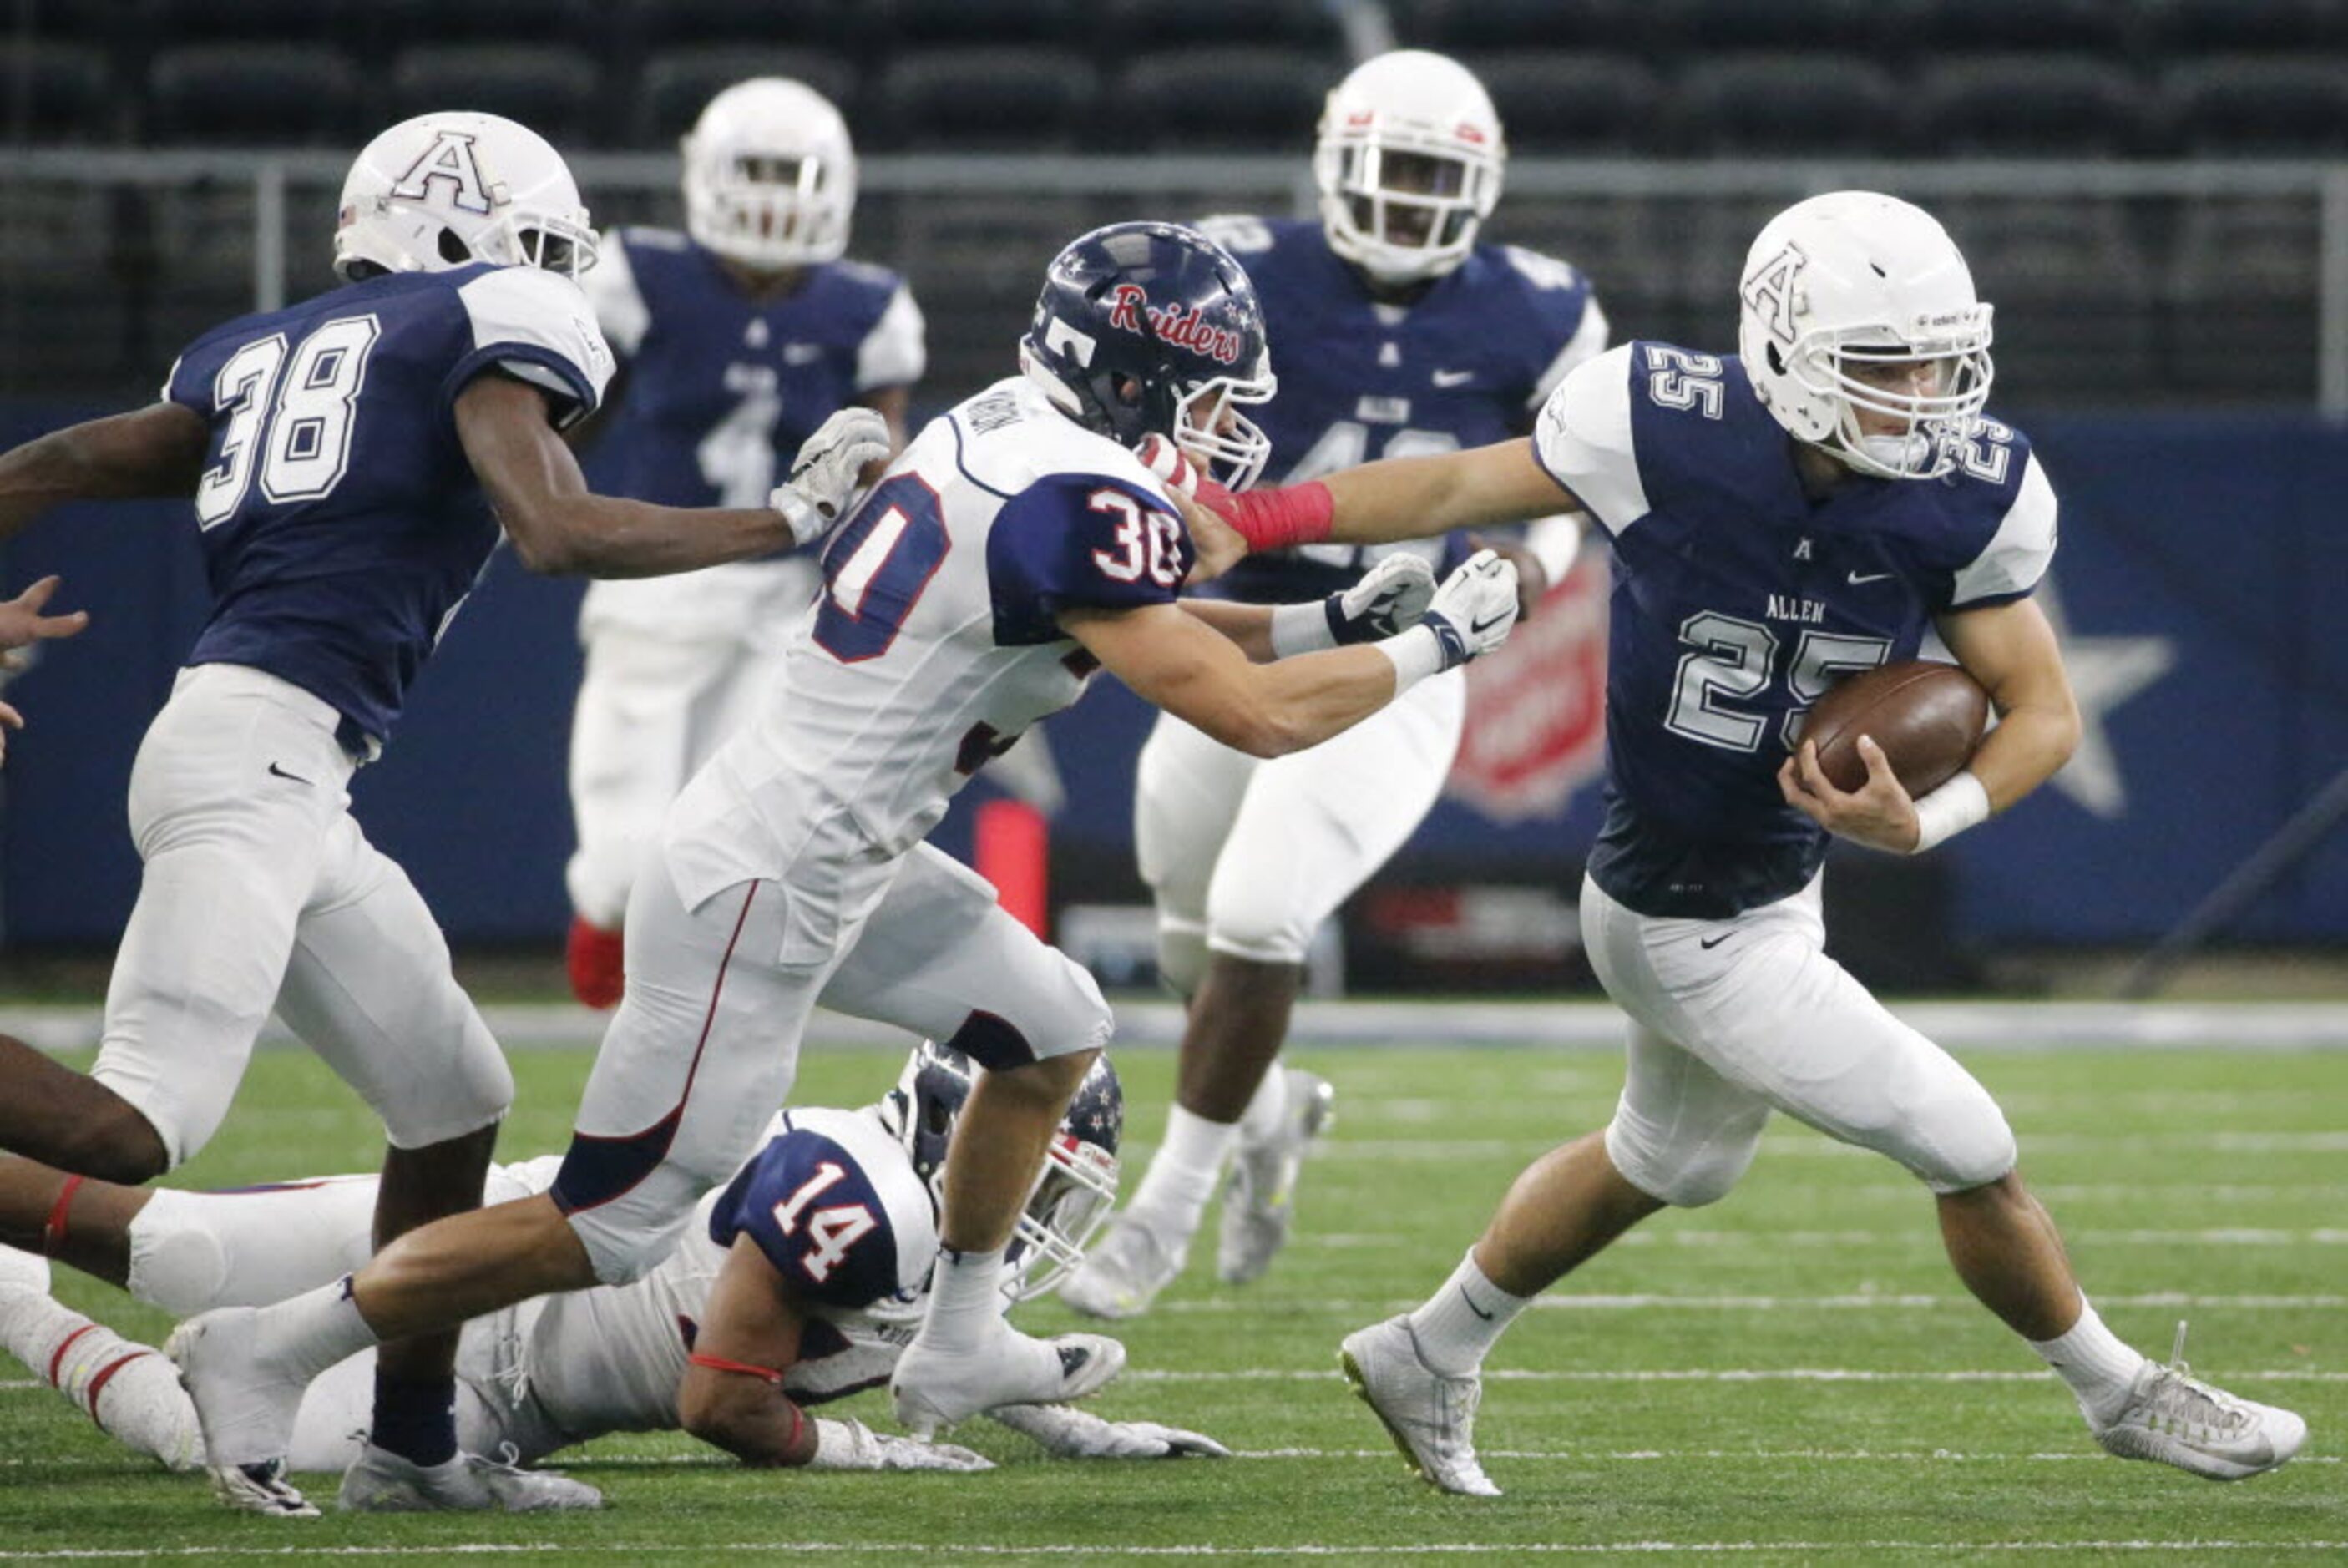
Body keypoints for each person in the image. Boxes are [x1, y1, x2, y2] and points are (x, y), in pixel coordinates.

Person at [164, 220, 1529, 1516]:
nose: (1225, 421)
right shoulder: (1079, 497)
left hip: (841, 849)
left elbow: (1120, 614)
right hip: (773, 876)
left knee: (1050, 1028)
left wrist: (1333, 612)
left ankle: (960, 1336)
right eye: (1208, 389)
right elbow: (1251, 715)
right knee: (614, 1217)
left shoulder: (1003, 426)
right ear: (1133, 375)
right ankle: (270, 1349)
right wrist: (1436, 648)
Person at [1190, 190, 2308, 1495]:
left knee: (1673, 1160)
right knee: (1967, 1141)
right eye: (1889, 367)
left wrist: (1928, 816)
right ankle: (2120, 1391)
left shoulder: (1971, 491)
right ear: (1785, 352)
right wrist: (1260, 518)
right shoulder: (1659, 422)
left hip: (1774, 886)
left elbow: (2043, 710)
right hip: (1677, 909)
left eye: (1945, 360)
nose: (1928, 396)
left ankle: (1426, 1348)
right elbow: (1450, 480)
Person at [0, 111, 889, 1514]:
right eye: (538, 248)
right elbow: (557, 531)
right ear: (468, 237)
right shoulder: (486, 318)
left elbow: (45, 467)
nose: (556, 280)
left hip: (284, 764)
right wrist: (787, 521)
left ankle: (411, 1443)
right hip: (254, 760)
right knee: (135, 1132)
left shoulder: (262, 347)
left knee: (455, 1096)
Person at [1061, 49, 1607, 1321]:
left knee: (1260, 914)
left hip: (1403, 655)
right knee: (1191, 933)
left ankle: (1165, 1214)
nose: (1412, 201)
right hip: (1249, 629)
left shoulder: (1542, 307)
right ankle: (1268, 1104)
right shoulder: (1235, 267)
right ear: (1335, 160)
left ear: (1485, 187)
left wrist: (1540, 558)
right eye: (1393, 171)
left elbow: (1570, 480)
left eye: (1438, 179)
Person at [0, 1043, 1228, 1491]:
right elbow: (720, 1395)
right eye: (1030, 1166)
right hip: (488, 1240)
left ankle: (16, 1313)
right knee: (175, 1247)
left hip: (502, 1401)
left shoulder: (925, 1231)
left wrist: (1069, 1421)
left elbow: (927, 1333)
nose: (1036, 1203)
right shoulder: (862, 1189)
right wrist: (859, 1449)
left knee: (207, 1428)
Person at [564, 78, 926, 1009]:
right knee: (618, 867)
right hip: (653, 585)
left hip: (786, 598)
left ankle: (679, 1046)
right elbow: (562, 428)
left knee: (738, 851)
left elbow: (885, 466)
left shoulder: (867, 305)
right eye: (754, 171)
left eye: (790, 173)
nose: (771, 195)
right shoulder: (638, 273)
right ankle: (608, 1009)